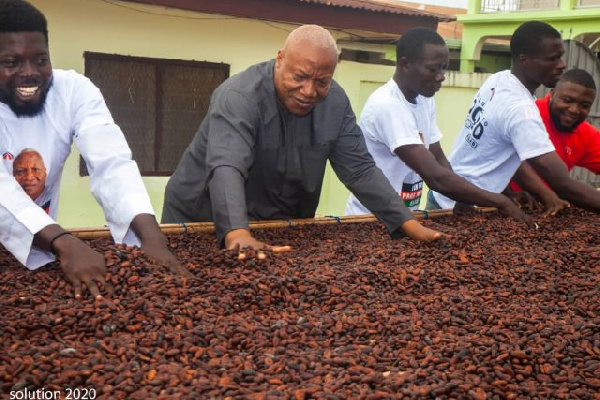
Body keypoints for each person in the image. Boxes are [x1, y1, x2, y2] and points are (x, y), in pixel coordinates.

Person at [162, 24, 445, 254]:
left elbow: (359, 169)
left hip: (275, 222)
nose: (309, 91)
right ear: (280, 60)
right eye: (300, 77)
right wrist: (237, 232)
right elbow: (227, 166)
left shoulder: (335, 102)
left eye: (322, 81)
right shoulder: (239, 97)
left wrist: (407, 223)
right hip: (201, 217)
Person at [0, 0, 189, 299]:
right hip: (45, 240)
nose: (30, 73)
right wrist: (66, 242)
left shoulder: (72, 91)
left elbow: (111, 162)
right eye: (11, 62)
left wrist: (151, 237)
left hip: (39, 250)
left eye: (40, 59)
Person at [344, 27, 532, 227]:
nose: (441, 76)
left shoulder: (423, 97)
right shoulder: (388, 105)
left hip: (404, 218)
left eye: (444, 67)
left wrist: (462, 199)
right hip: (370, 219)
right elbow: (434, 176)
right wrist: (499, 201)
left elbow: (437, 156)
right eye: (433, 69)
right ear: (405, 64)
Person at [429, 21, 600, 216]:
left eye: (560, 57)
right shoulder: (521, 111)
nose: (562, 65)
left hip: (451, 195)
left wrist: (532, 192)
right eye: (552, 59)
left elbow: (502, 151)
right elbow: (562, 184)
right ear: (524, 59)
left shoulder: (499, 79)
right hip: (461, 207)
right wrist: (550, 192)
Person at [510, 68, 600, 194]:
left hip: (552, 209)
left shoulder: (587, 134)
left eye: (584, 106)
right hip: (500, 204)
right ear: (552, 94)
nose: (574, 110)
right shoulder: (526, 116)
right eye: (567, 101)